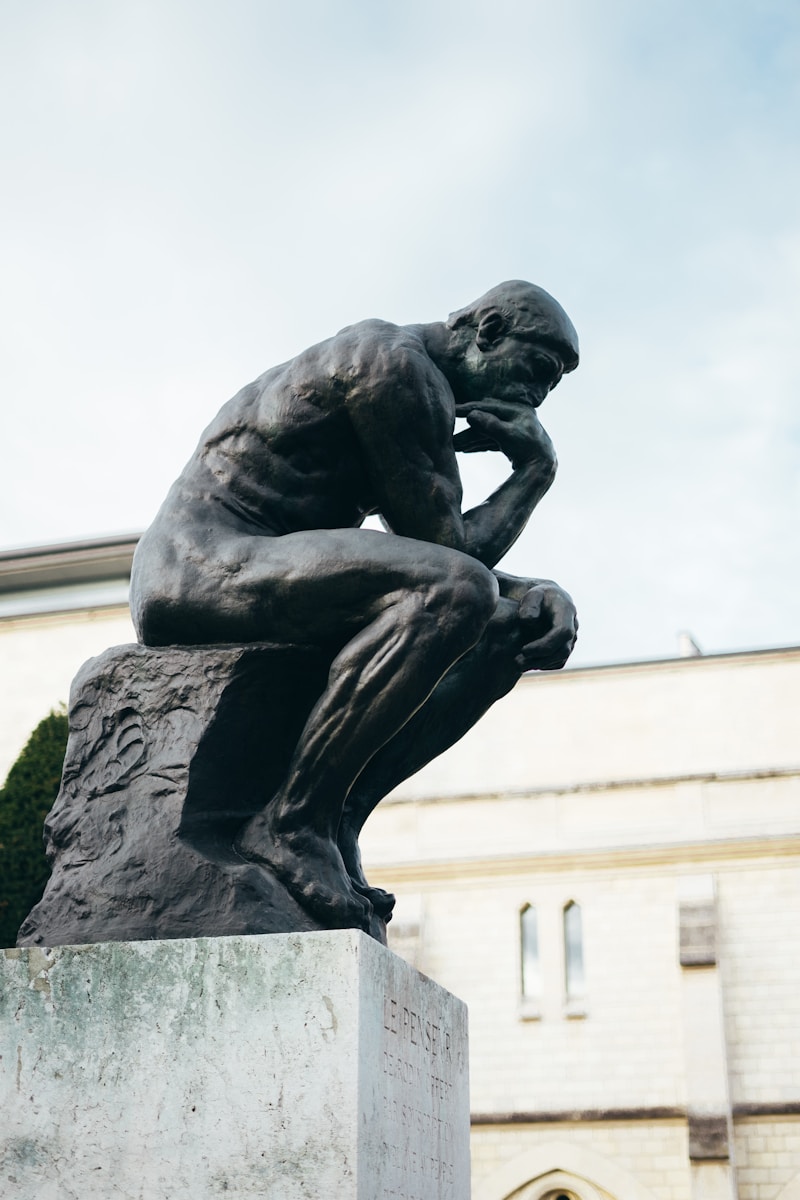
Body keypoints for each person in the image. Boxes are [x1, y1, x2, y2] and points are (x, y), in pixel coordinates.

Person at [130, 280, 580, 930]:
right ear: (485, 331)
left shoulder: (417, 381)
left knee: (507, 628)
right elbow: (449, 556)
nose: (537, 398)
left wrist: (534, 594)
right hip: (199, 564)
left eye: (552, 386)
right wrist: (533, 474)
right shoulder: (394, 367)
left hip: (270, 565)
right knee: (458, 594)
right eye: (536, 371)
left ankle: (334, 820)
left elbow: (434, 550)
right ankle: (292, 821)